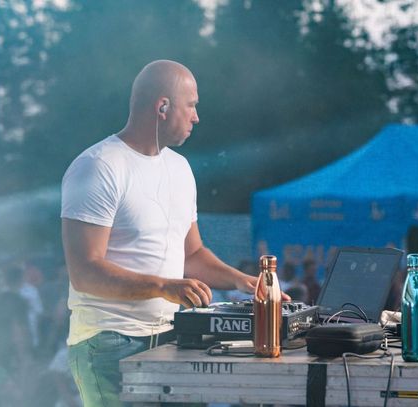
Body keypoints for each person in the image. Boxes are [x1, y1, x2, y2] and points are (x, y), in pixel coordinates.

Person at [61, 60, 275, 406]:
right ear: (162, 107)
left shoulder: (180, 168)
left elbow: (192, 254)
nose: (196, 117)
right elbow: (85, 271)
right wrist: (163, 286)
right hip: (110, 341)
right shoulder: (98, 166)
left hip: (173, 335)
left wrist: (243, 281)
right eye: (191, 105)